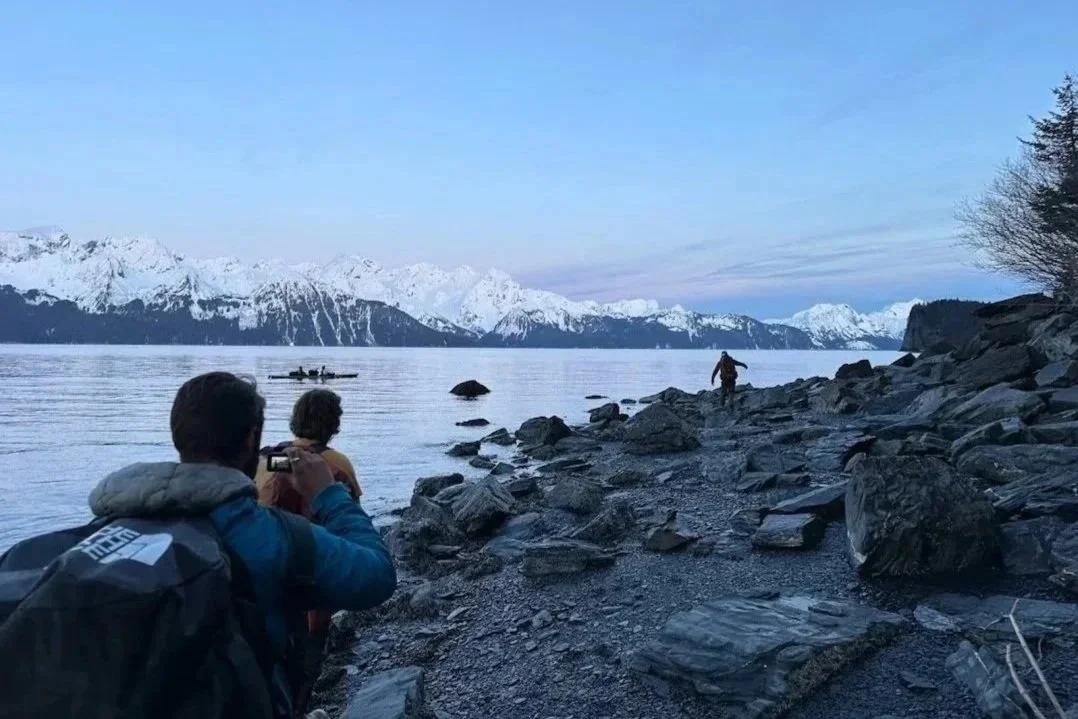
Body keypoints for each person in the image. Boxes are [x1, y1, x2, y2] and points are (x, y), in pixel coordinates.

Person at [0, 372, 396, 718]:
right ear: (250, 439)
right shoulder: (273, 537)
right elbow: (377, 575)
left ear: (179, 434)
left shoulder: (102, 532)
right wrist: (328, 494)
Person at [254, 388, 362, 712]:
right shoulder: (336, 464)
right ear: (334, 424)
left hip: (262, 573)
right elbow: (351, 517)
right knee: (307, 660)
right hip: (311, 576)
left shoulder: (267, 457)